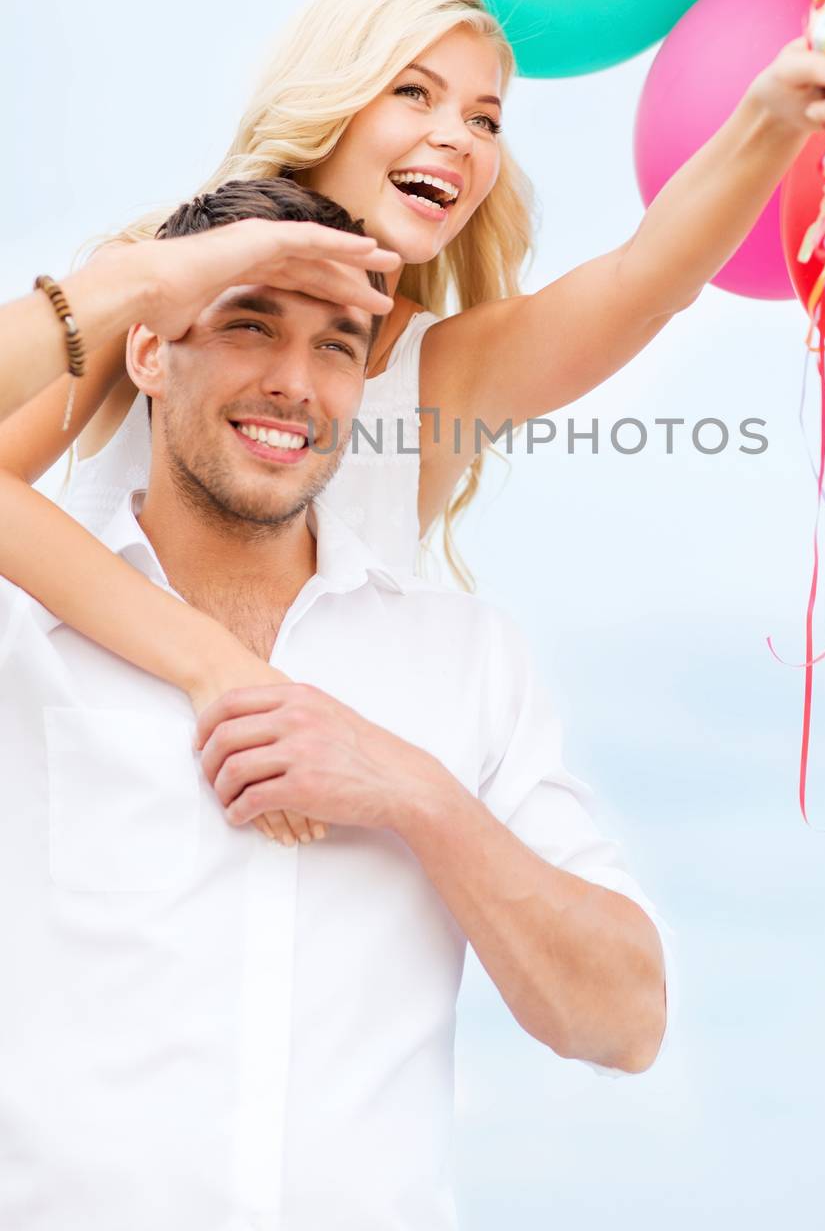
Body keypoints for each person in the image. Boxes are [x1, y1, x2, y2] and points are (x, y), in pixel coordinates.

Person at [0, 0, 825, 846]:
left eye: (484, 118)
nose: (460, 138)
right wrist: (218, 670)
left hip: (311, 826)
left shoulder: (445, 374)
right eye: (415, 94)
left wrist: (770, 116)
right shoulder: (163, 285)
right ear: (333, 103)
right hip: (96, 789)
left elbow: (645, 279)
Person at [0, 177, 674, 1231]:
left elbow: (623, 1017)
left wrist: (414, 794)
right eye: (247, 322)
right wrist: (143, 277)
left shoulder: (461, 659)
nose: (291, 382)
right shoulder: (18, 630)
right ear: (146, 349)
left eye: (334, 346)